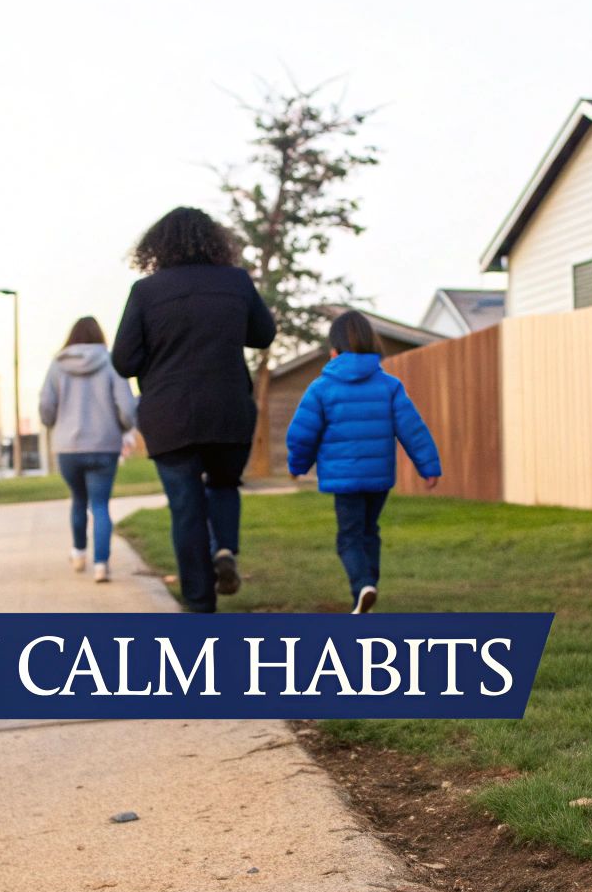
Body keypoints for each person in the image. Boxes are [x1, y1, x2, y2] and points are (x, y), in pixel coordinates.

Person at [111, 207, 275, 612]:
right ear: (215, 241)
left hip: (170, 414)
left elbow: (123, 362)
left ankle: (200, 605)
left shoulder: (146, 292)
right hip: (228, 406)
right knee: (222, 484)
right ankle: (225, 550)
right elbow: (263, 334)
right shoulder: (235, 282)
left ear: (156, 247)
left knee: (185, 508)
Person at [285, 310, 441, 614]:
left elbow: (302, 435)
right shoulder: (389, 386)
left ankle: (362, 587)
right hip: (378, 478)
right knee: (369, 531)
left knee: (348, 537)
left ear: (333, 351)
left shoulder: (321, 388)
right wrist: (429, 466)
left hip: (344, 479)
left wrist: (298, 465)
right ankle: (369, 585)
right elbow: (413, 429)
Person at [39, 316, 137, 583]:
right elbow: (128, 409)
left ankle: (79, 552)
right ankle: (101, 565)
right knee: (101, 505)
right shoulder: (110, 362)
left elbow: (46, 407)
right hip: (105, 445)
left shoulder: (57, 365)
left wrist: (54, 423)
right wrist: (121, 425)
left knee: (78, 501)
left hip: (68, 447)